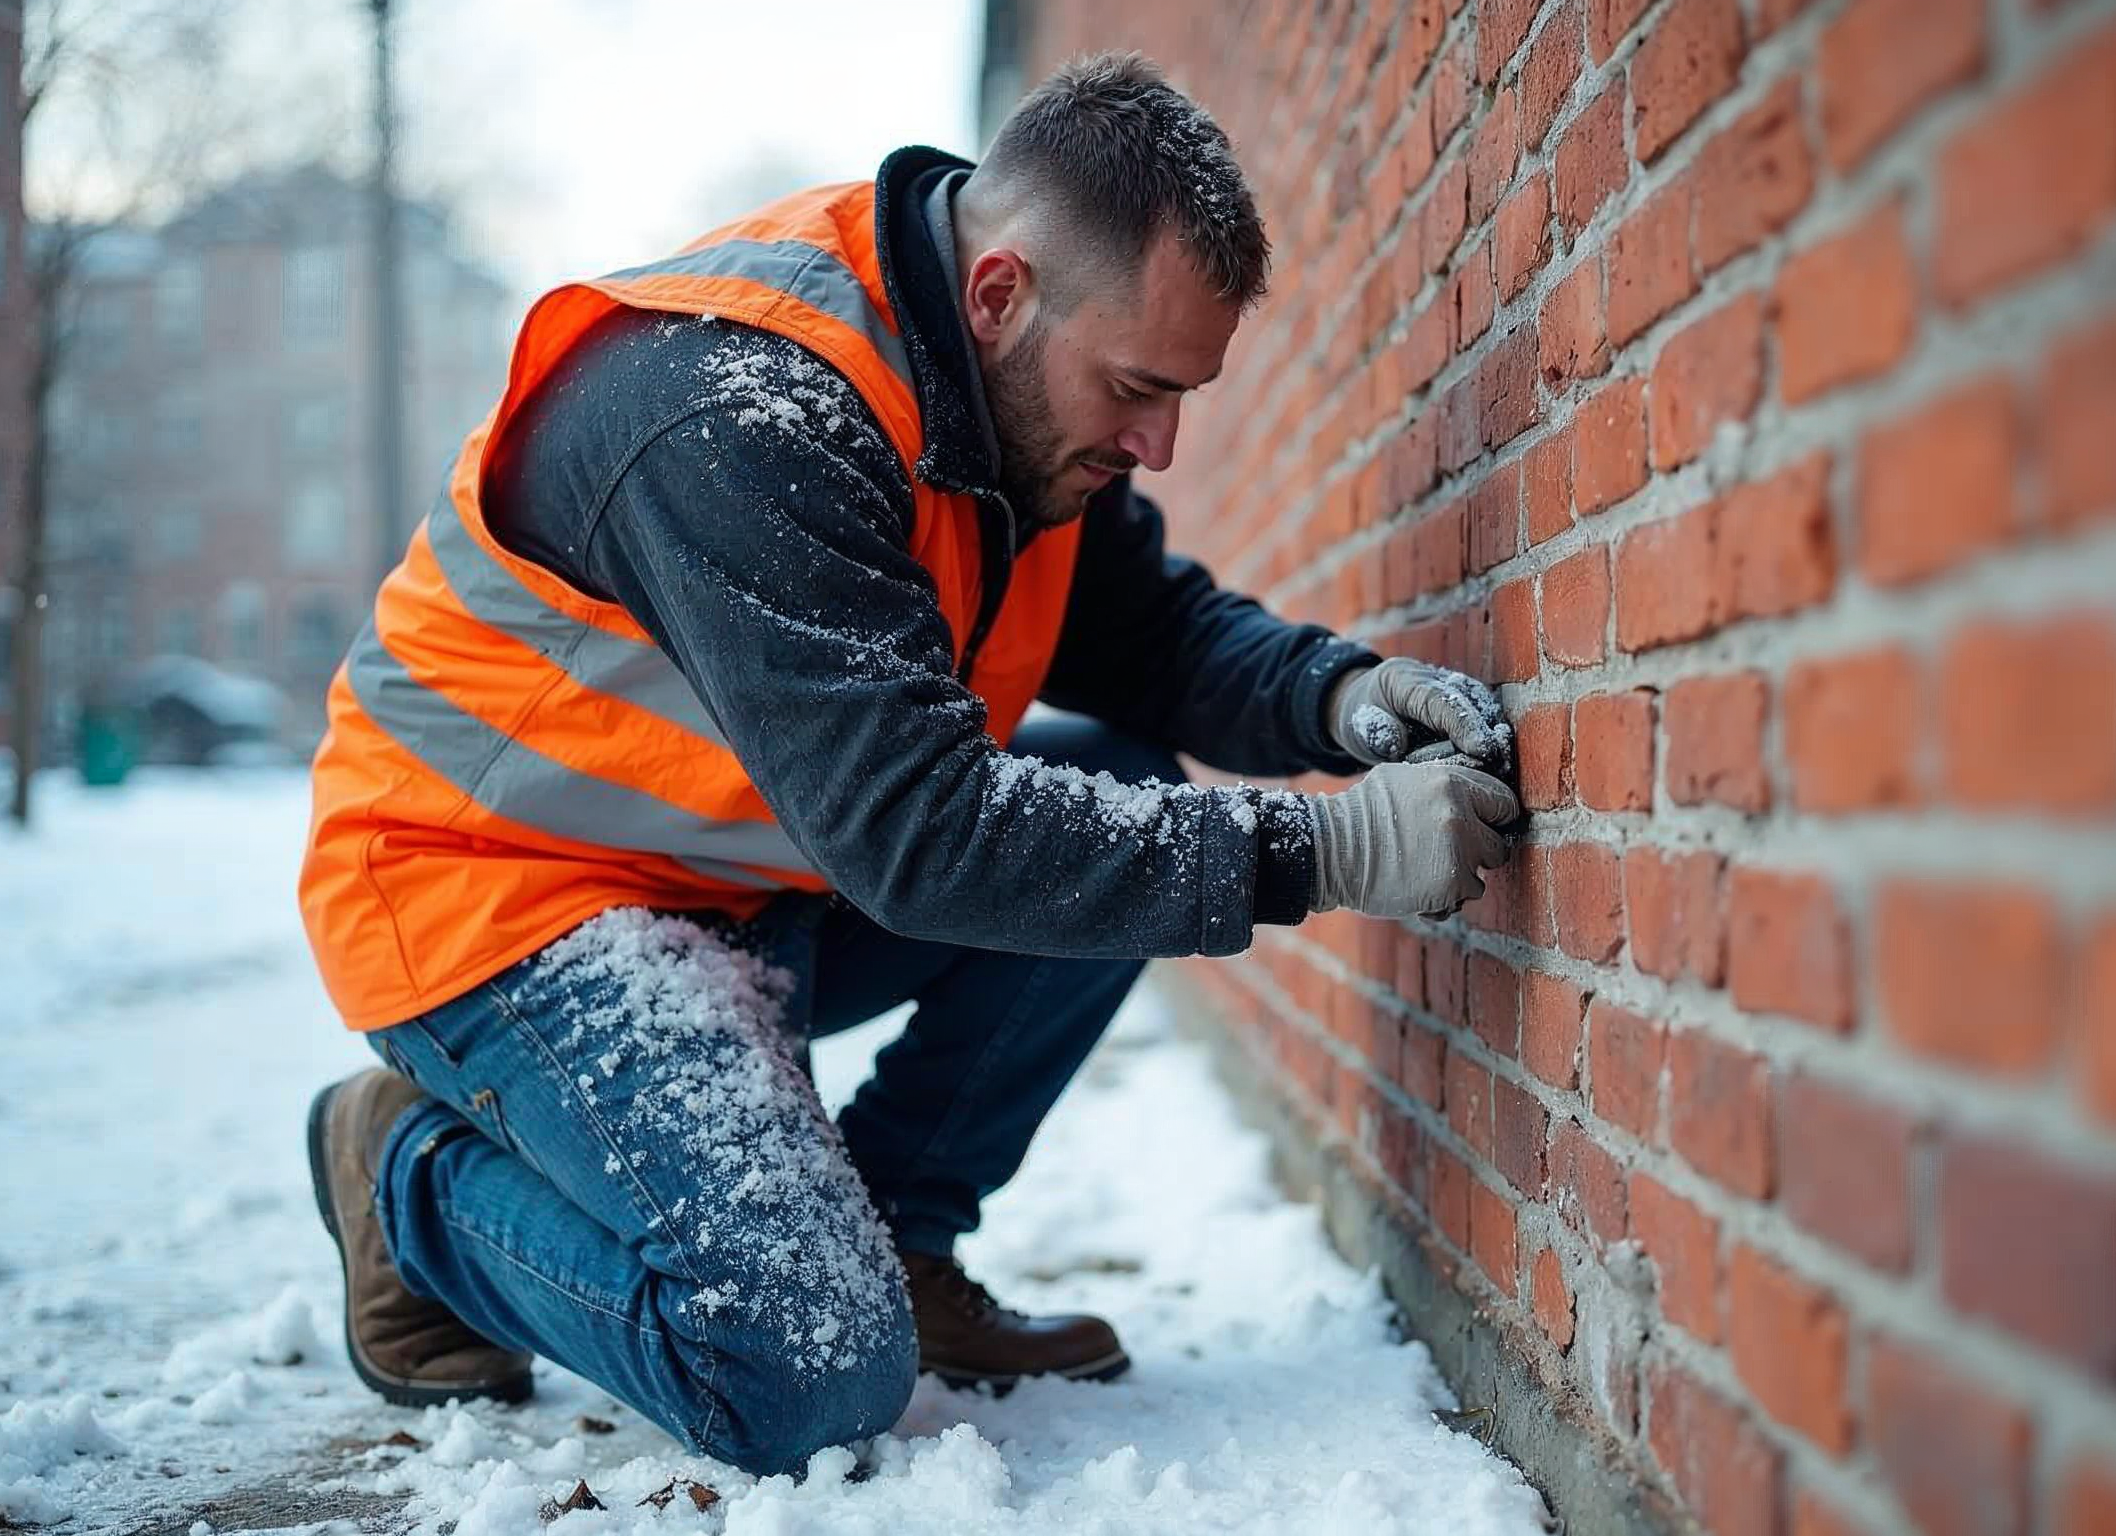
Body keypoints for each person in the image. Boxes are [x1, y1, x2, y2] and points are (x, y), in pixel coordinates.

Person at [296, 52, 1522, 1475]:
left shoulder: (1010, 405)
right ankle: (406, 1180)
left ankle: (899, 1236)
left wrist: (1344, 698)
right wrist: (1335, 850)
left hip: (743, 877)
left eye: (1181, 396)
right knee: (801, 1375)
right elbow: (921, 837)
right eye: (1138, 388)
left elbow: (1151, 641)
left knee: (1120, 776)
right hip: (506, 901)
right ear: (1000, 293)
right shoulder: (739, 415)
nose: (1162, 444)